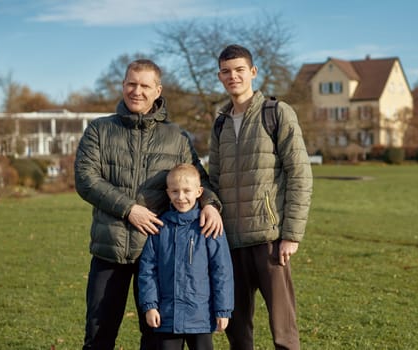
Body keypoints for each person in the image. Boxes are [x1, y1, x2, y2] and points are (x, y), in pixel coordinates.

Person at [75, 59, 223, 350]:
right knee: (98, 335)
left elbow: (198, 179)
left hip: (158, 255)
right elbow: (85, 178)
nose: (137, 91)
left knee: (156, 338)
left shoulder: (176, 137)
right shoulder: (99, 130)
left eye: (145, 85)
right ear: (123, 85)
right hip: (110, 250)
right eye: (131, 83)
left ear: (158, 90)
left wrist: (210, 204)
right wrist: (130, 209)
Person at [208, 44, 313, 350]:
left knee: (284, 332)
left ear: (252, 72)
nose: (233, 76)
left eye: (240, 70)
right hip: (229, 243)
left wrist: (291, 235)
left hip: (270, 241)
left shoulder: (276, 113)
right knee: (237, 332)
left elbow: (300, 175)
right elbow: (213, 180)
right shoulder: (220, 124)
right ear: (219, 76)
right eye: (226, 71)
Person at [138, 163, 234, 350]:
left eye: (186, 191)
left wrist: (223, 309)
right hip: (167, 317)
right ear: (168, 193)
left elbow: (222, 270)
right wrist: (150, 306)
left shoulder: (208, 226)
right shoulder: (159, 227)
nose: (181, 197)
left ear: (199, 192)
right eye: (175, 191)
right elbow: (147, 270)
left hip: (201, 316)